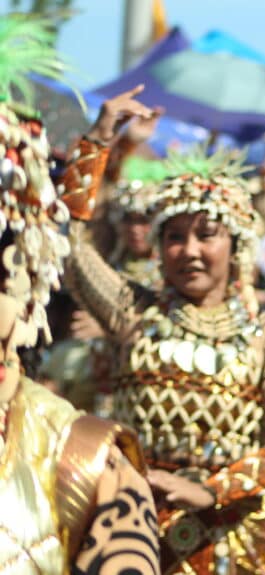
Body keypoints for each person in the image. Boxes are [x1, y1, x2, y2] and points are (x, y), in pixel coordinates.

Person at [61, 87, 265, 574]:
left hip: (230, 530)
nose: (189, 250)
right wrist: (98, 142)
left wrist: (213, 489)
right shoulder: (131, 310)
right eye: (174, 237)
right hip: (131, 519)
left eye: (205, 235)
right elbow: (66, 241)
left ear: (235, 246)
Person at [0, 14, 158, 574]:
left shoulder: (79, 456)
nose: (140, 229)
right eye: (132, 218)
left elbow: (59, 232)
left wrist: (213, 489)